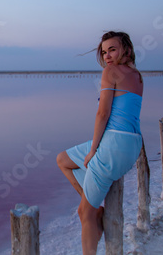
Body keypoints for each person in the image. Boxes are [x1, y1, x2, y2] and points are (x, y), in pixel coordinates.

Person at [56, 31, 144, 255]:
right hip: (132, 143)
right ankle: (92, 205)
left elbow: (102, 114)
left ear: (127, 49)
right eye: (104, 52)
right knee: (63, 160)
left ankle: (92, 212)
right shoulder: (137, 75)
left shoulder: (110, 72)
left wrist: (93, 150)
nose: (107, 56)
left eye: (112, 49)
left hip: (112, 144)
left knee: (83, 213)